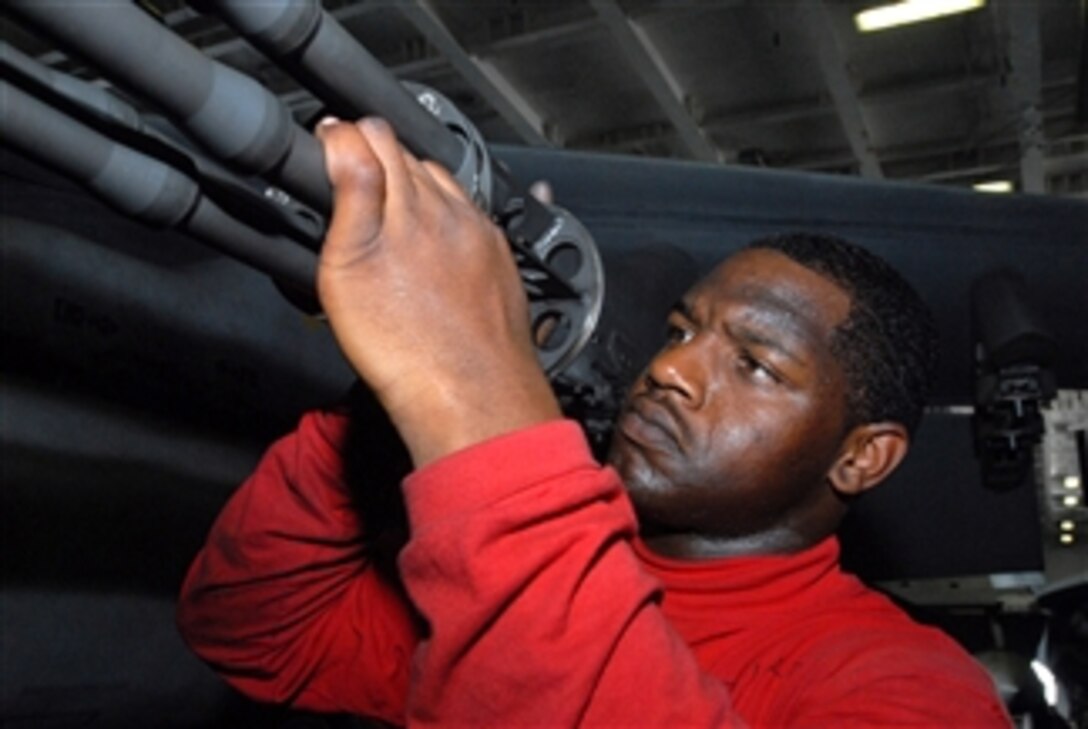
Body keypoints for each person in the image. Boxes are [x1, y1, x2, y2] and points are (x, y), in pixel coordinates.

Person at [177, 117, 1010, 727]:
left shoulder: (906, 686)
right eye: (682, 330)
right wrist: (395, 396)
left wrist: (476, 393)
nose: (671, 368)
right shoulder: (477, 575)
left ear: (863, 457)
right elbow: (252, 626)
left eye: (754, 364)